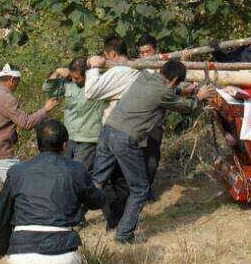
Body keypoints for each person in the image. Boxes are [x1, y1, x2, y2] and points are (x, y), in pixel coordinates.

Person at [0, 120, 105, 264]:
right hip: (61, 251)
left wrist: (0, 248)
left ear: (37, 144)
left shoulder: (17, 172)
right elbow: (97, 201)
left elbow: (2, 213)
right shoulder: (75, 170)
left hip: (22, 251)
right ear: (65, 145)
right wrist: (96, 188)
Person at [91, 61, 214, 243]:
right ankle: (124, 235)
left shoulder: (144, 77)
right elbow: (187, 107)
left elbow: (162, 93)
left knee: (97, 182)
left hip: (108, 130)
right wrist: (199, 97)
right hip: (124, 138)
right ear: (174, 80)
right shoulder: (164, 92)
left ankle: (68, 219)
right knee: (140, 189)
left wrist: (182, 91)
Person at [0, 64, 60, 221]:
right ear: (12, 79)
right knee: (23, 183)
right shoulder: (6, 98)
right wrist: (46, 109)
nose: (17, 85)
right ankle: (34, 217)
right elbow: (26, 123)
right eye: (18, 81)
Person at [85, 36, 141, 227]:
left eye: (105, 55)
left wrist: (93, 67)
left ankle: (115, 222)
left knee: (103, 179)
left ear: (112, 54)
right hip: (127, 133)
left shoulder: (119, 72)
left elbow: (90, 92)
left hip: (113, 131)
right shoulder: (138, 69)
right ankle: (118, 221)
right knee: (121, 181)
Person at [43, 58, 106, 173]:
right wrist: (57, 72)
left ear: (87, 74)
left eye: (77, 78)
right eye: (72, 77)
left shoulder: (97, 84)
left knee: (79, 173)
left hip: (88, 139)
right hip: (69, 137)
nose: (74, 80)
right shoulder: (69, 83)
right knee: (64, 171)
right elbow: (48, 89)